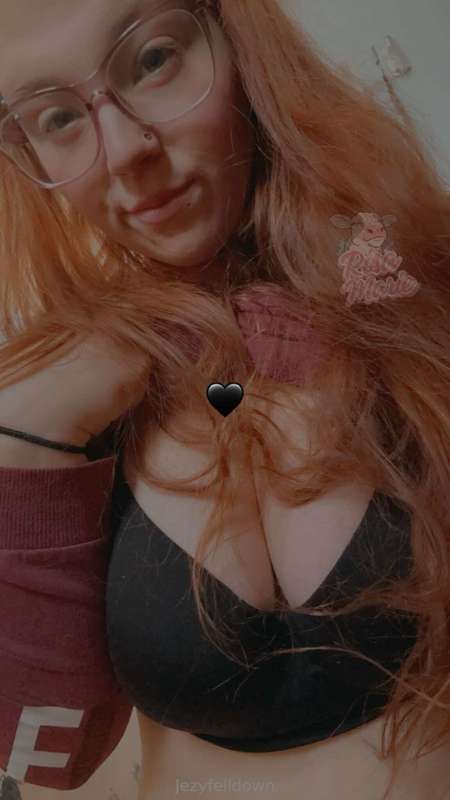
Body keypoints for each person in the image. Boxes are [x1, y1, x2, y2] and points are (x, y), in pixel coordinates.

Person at [0, 1, 449, 799]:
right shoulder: (70, 390)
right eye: (58, 118)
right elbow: (48, 757)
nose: (126, 150)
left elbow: (398, 307)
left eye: (153, 60)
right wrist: (28, 438)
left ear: (237, 42)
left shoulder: (390, 267)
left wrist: (372, 317)